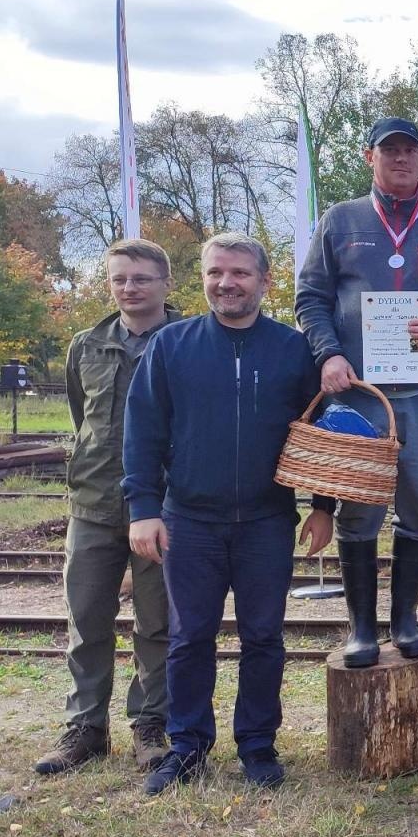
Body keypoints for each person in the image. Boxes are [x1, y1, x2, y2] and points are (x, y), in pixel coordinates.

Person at [125, 233, 334, 794]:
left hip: (268, 521)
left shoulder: (293, 350)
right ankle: (187, 746)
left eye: (240, 273)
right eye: (216, 272)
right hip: (189, 519)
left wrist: (322, 507)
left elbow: (318, 436)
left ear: (265, 281)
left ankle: (258, 746)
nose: (227, 283)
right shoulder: (172, 346)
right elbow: (142, 432)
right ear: (204, 278)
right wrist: (143, 509)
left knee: (264, 637)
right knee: (190, 637)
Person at [296, 116, 418, 667]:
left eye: (410, 150)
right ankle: (361, 628)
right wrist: (330, 354)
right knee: (357, 511)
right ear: (370, 157)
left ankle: (405, 620)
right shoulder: (340, 222)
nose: (401, 159)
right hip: (360, 394)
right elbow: (310, 298)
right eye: (389, 151)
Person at [35, 239, 184, 777]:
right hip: (94, 503)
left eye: (141, 278)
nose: (129, 288)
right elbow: (84, 418)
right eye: (120, 279)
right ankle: (85, 729)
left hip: (165, 506)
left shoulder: (188, 339)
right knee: (87, 621)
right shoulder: (86, 344)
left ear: (166, 283)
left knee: (159, 624)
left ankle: (151, 725)